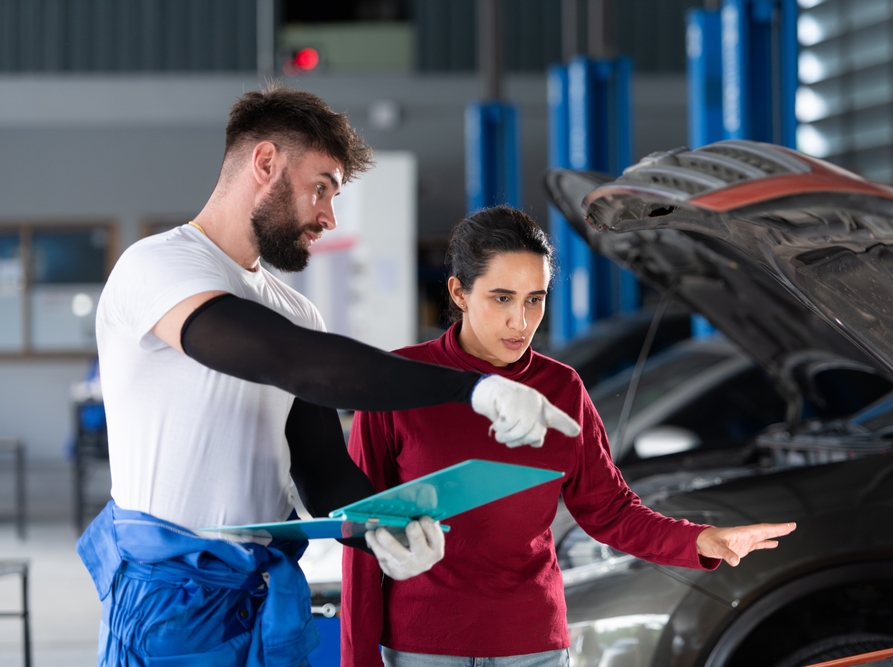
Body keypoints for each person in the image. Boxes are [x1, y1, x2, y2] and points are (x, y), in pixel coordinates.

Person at [76, 85, 580, 667]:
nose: (328, 216)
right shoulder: (158, 266)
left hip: (264, 597)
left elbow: (323, 474)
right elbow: (290, 360)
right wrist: (474, 387)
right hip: (169, 603)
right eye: (322, 188)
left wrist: (387, 527)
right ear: (265, 163)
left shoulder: (295, 310)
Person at [341, 206, 796, 667]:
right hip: (421, 649)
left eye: (534, 299)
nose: (521, 321)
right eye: (502, 298)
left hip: (533, 646)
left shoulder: (561, 389)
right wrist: (357, 660)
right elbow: (360, 534)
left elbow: (611, 512)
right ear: (459, 291)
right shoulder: (396, 382)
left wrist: (702, 540)